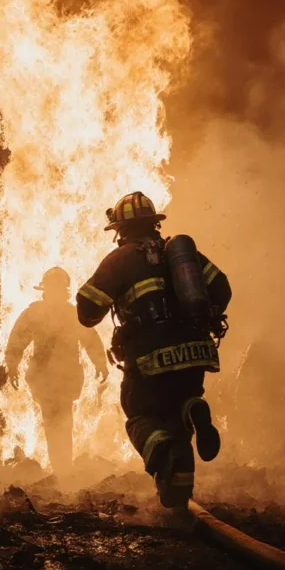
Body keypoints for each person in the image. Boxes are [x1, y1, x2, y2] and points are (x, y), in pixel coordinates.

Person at [75, 192, 232, 508]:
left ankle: (162, 451)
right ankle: (190, 418)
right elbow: (222, 288)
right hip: (194, 354)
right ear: (154, 225)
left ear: (120, 230)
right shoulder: (181, 256)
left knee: (140, 415)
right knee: (178, 408)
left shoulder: (120, 259)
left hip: (150, 357)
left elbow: (87, 309)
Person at [5, 267, 108, 477]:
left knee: (59, 423)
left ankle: (62, 470)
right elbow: (17, 341)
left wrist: (100, 363)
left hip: (61, 378)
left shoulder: (57, 313)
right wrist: (12, 366)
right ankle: (62, 470)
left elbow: (90, 340)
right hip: (50, 379)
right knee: (58, 423)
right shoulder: (64, 313)